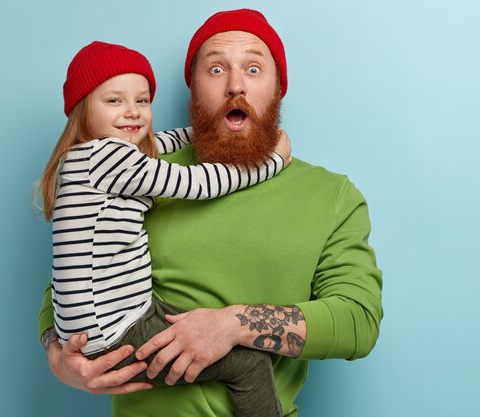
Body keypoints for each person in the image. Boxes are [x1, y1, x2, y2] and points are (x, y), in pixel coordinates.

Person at [38, 9, 383, 417]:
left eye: (253, 68)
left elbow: (357, 321)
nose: (235, 85)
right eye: (216, 68)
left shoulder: (332, 195)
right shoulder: (147, 173)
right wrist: (59, 356)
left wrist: (234, 324)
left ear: (278, 88)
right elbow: (72, 269)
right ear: (193, 88)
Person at [40, 40, 291, 417]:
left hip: (94, 323)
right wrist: (273, 161)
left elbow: (156, 141)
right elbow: (198, 183)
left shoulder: (81, 158)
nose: (132, 113)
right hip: (116, 330)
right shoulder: (107, 157)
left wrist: (207, 129)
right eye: (114, 101)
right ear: (82, 109)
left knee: (192, 322)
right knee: (249, 363)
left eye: (142, 101)